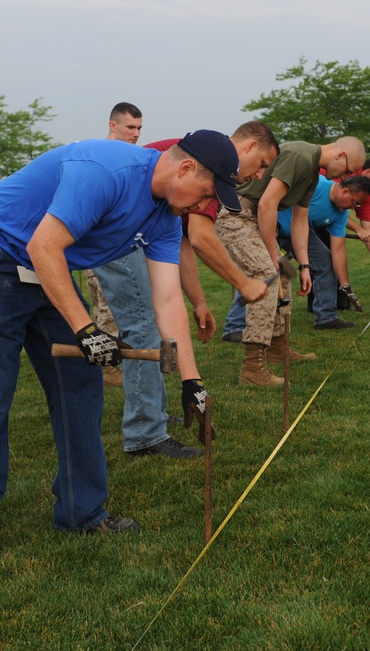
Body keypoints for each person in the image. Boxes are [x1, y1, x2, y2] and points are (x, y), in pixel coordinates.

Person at [0, 130, 237, 561]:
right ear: (186, 168)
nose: (203, 206)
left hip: (46, 270)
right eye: (206, 193)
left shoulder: (165, 218)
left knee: (80, 386)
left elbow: (169, 299)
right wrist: (85, 329)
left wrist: (192, 380)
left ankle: (83, 511)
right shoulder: (106, 171)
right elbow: (42, 245)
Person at [92, 122, 279, 460]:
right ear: (249, 147)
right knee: (142, 322)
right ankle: (145, 435)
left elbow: (180, 244)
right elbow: (201, 237)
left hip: (136, 229)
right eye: (263, 164)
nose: (259, 175)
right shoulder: (211, 171)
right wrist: (243, 282)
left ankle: (153, 416)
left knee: (150, 319)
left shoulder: (205, 164)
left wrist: (199, 301)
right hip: (116, 225)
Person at [216, 137, 366, 387]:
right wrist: (272, 255)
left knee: (283, 275)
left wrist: (305, 266)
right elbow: (266, 204)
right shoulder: (301, 155)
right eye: (348, 170)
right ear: (341, 155)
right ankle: (252, 367)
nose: (345, 177)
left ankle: (278, 349)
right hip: (238, 216)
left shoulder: (311, 174)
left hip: (257, 220)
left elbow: (300, 221)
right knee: (267, 275)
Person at [224, 174, 370, 332]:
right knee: (263, 270)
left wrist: (345, 286)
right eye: (354, 203)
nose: (352, 208)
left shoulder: (340, 214)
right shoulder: (313, 182)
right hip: (270, 226)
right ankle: (234, 327)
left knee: (325, 261)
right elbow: (270, 196)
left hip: (299, 234)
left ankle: (326, 317)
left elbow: (338, 251)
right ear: (346, 192)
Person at [84, 102, 144, 386]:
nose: (135, 134)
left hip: (113, 244)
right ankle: (107, 368)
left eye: (139, 128)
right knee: (108, 306)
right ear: (113, 125)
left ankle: (100, 363)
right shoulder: (100, 154)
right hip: (99, 244)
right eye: (130, 127)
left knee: (103, 306)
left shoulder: (134, 156)